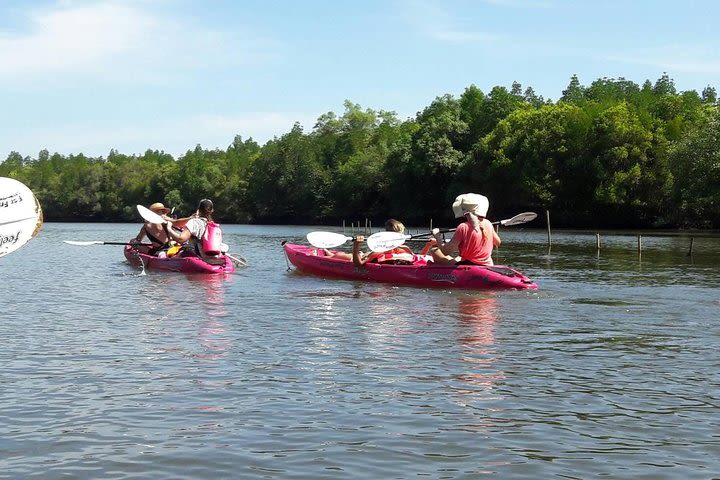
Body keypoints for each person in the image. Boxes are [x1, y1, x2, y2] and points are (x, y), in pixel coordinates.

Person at [430, 193, 501, 266]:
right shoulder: (488, 223)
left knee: (434, 251)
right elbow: (497, 242)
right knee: (460, 256)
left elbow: (446, 251)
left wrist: (437, 236)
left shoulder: (463, 227)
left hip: (469, 266)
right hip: (488, 265)